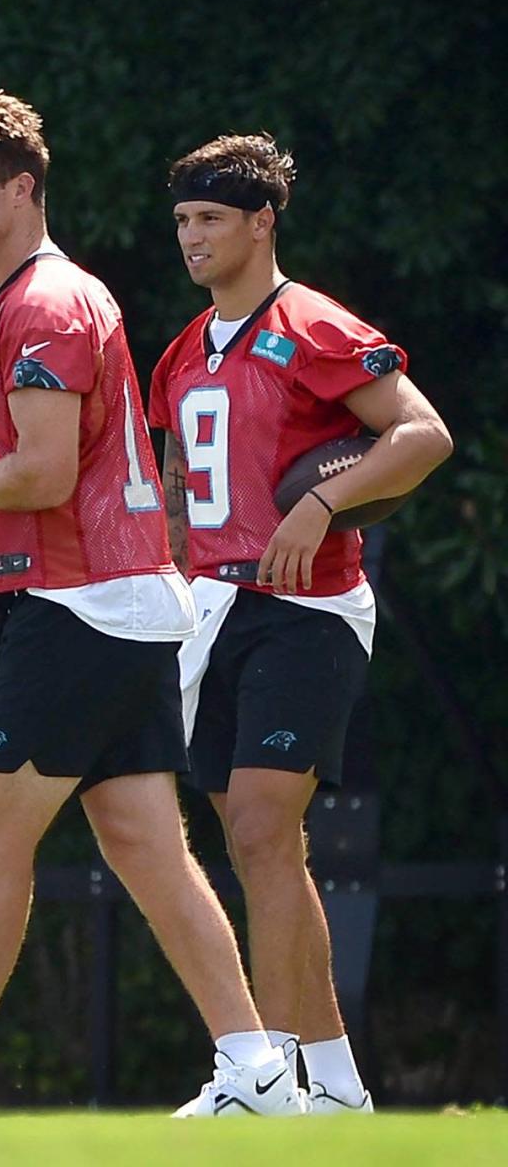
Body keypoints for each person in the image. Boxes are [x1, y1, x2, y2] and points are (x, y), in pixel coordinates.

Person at [0, 92, 304, 1122]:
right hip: (121, 598)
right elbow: (60, 474)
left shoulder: (41, 303)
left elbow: (41, 474)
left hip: (83, 606)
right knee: (141, 839)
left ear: (22, 189)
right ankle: (258, 1067)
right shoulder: (42, 298)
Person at [148, 133, 453, 1113]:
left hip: (307, 606)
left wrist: (320, 505)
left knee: (260, 825)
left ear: (262, 219)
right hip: (215, 608)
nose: (192, 237)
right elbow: (174, 489)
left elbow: (422, 433)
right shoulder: (183, 351)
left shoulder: (314, 325)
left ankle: (263, 1069)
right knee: (258, 844)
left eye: (211, 219)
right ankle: (334, 1084)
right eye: (184, 219)